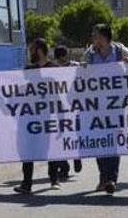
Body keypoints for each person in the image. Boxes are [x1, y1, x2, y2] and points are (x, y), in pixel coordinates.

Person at [83, 23, 128, 194]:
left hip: (116, 104)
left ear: (104, 36)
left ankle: (111, 178)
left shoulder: (121, 51)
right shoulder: (89, 54)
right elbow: (83, 76)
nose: (92, 38)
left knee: (113, 140)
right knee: (99, 141)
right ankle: (103, 177)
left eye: (95, 34)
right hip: (96, 105)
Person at [14, 39, 64, 194]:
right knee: (27, 151)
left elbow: (59, 94)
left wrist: (61, 118)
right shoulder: (29, 70)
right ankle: (26, 183)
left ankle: (54, 179)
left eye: (32, 50)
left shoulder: (54, 69)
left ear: (40, 50)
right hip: (30, 117)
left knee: (51, 149)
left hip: (48, 116)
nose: (30, 54)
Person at [53, 45, 82, 180]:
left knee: (74, 134)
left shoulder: (76, 66)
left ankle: (76, 156)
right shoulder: (53, 69)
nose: (59, 62)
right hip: (60, 108)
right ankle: (64, 167)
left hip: (75, 107)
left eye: (60, 59)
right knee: (59, 138)